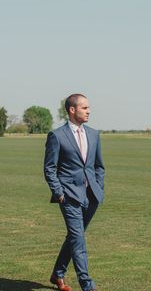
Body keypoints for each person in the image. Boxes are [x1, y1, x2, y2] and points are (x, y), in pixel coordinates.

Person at [44, 93, 105, 291]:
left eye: (88, 108)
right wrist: (59, 193)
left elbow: (98, 166)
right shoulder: (57, 136)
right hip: (69, 196)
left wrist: (99, 187)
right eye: (84, 108)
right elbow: (49, 168)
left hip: (91, 196)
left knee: (74, 237)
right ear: (72, 110)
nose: (89, 111)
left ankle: (57, 274)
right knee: (78, 238)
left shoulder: (94, 134)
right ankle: (87, 285)